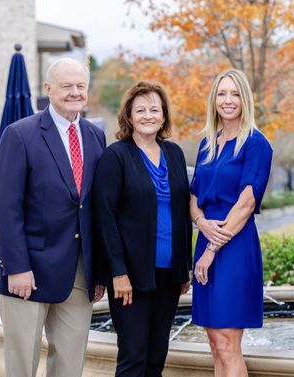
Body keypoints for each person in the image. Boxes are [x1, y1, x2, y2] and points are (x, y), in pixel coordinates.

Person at [0, 57, 106, 377]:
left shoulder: (96, 138)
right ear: (48, 88)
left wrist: (99, 270)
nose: (74, 92)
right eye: (66, 86)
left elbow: (95, 207)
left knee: (70, 364)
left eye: (80, 86)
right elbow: (4, 205)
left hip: (80, 273)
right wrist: (17, 267)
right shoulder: (20, 134)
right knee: (22, 365)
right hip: (28, 271)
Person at [92, 81, 192, 377]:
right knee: (133, 356)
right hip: (130, 276)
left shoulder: (174, 153)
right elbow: (105, 218)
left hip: (169, 275)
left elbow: (182, 214)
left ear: (163, 116)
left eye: (154, 109)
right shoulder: (116, 156)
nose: (148, 115)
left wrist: (183, 267)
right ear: (129, 116)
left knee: (156, 356)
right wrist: (117, 273)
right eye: (140, 110)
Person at [190, 69, 273, 376]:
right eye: (222, 93)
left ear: (245, 100)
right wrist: (200, 220)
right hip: (207, 239)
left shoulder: (256, 144)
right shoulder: (207, 144)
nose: (228, 100)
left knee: (228, 344)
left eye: (235, 94)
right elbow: (193, 195)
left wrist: (212, 247)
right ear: (214, 99)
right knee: (214, 343)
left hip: (233, 247)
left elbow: (246, 203)